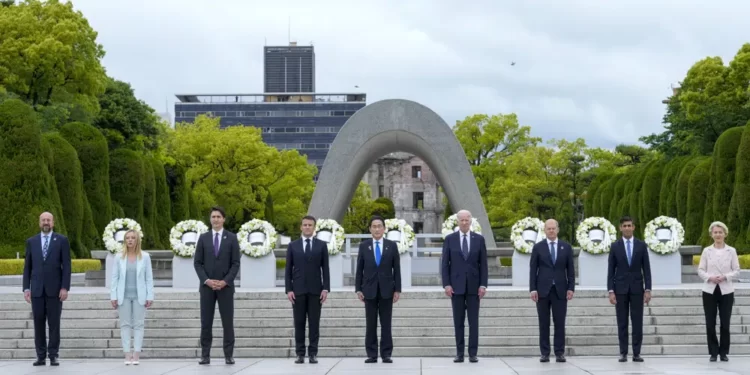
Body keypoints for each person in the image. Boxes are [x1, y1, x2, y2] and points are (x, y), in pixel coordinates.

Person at [22, 212, 71, 367]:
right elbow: (27, 267)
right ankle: (41, 356)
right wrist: (26, 288)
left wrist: (65, 287)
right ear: (39, 222)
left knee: (54, 324)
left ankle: (53, 355)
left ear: (53, 223)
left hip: (55, 290)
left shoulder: (62, 240)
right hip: (36, 290)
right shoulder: (32, 241)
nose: (46, 222)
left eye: (48, 220)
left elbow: (67, 267)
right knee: (38, 323)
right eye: (43, 220)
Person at [194, 206, 240, 365]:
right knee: (206, 322)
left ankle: (229, 355)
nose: (215, 219)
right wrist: (207, 280)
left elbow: (235, 263)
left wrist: (225, 281)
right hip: (207, 288)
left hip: (225, 288)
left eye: (218, 217)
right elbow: (197, 263)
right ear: (210, 219)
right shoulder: (203, 238)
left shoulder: (232, 238)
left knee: (227, 322)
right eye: (213, 217)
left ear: (224, 219)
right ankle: (205, 355)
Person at [441, 209, 488, 363]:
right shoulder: (450, 239)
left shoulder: (479, 239)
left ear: (471, 221)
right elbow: (445, 264)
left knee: (474, 322)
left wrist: (483, 285)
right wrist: (446, 284)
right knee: (458, 322)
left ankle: (473, 353)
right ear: (457, 221)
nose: (464, 222)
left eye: (467, 219)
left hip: (474, 288)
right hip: (456, 287)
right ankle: (459, 353)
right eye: (461, 220)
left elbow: (484, 265)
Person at [285, 215, 331, 364]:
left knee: (314, 323)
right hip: (297, 291)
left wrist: (325, 289)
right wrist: (289, 289)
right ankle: (300, 354)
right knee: (299, 323)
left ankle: (313, 353)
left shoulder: (321, 245)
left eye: (310, 225)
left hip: (315, 290)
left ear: (314, 227)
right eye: (305, 225)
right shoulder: (293, 246)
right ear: (301, 227)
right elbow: (288, 270)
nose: (307, 227)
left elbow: (326, 269)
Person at [355, 216, 401, 363]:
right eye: (374, 226)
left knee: (386, 323)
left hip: (387, 289)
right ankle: (372, 353)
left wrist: (397, 289)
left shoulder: (391, 246)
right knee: (371, 323)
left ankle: (386, 353)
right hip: (369, 289)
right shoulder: (364, 246)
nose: (376, 229)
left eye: (379, 226)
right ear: (370, 229)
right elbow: (359, 269)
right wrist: (358, 289)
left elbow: (397, 270)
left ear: (384, 228)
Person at [607, 216, 652, 363]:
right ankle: (623, 353)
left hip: (637, 289)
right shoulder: (615, 246)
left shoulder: (641, 245)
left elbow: (646, 269)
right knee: (622, 322)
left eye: (629, 225)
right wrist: (611, 291)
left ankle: (636, 353)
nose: (627, 228)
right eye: (624, 226)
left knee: (637, 322)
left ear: (633, 227)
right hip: (620, 289)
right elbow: (610, 270)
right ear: (620, 228)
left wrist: (648, 289)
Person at [529, 218, 575, 363]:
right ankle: (545, 353)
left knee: (559, 322)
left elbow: (571, 270)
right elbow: (533, 270)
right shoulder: (538, 247)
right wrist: (533, 289)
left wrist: (571, 288)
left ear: (558, 229)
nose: (551, 231)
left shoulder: (566, 247)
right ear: (545, 230)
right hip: (542, 291)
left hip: (560, 290)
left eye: (553, 228)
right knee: (544, 323)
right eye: (548, 228)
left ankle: (560, 352)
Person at [110, 229, 155, 365]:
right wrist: (113, 296)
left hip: (139, 296)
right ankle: (127, 354)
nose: (130, 240)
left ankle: (136, 355)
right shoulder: (119, 257)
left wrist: (150, 296)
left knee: (139, 325)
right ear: (125, 240)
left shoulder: (145, 257)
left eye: (133, 238)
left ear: (137, 240)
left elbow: (149, 279)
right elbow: (115, 278)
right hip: (123, 296)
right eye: (128, 238)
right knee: (125, 325)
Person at [698, 221, 740, 362]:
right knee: (710, 322)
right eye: (715, 232)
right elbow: (700, 270)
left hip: (726, 290)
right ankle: (713, 352)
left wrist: (725, 277)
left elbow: (737, 270)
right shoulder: (706, 251)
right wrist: (710, 277)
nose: (718, 235)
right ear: (711, 234)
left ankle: (723, 352)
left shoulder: (731, 251)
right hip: (709, 290)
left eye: (720, 232)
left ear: (725, 234)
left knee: (725, 323)